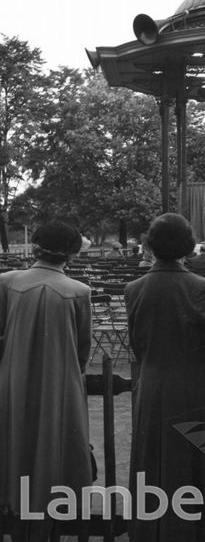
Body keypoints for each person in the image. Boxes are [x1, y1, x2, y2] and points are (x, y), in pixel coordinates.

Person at [124, 213, 205, 541]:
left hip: (152, 389)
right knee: (201, 469)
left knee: (156, 466)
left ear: (150, 246)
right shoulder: (202, 287)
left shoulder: (134, 289)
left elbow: (138, 346)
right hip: (196, 393)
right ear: (188, 245)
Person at [0, 221, 93, 541]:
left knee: (15, 444)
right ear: (72, 254)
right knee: (53, 448)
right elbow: (83, 351)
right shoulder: (80, 292)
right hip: (60, 385)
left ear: (35, 247)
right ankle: (51, 511)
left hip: (12, 380)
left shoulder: (6, 282)